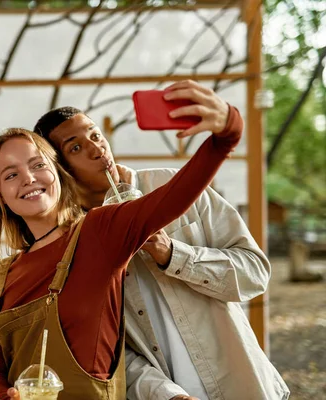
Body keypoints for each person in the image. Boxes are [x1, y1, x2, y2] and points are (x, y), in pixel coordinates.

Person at [0, 91, 244, 400]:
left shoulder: (99, 230)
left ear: (57, 172)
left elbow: (177, 194)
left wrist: (227, 134)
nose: (27, 178)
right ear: (0, 195)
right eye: (11, 174)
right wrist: (0, 396)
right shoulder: (3, 274)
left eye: (37, 165)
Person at [32, 80, 289, 399]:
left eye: (96, 135)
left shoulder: (177, 187)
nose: (98, 150)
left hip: (245, 386)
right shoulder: (74, 242)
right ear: (61, 169)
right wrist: (167, 395)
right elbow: (108, 350)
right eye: (76, 147)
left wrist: (174, 255)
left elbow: (255, 274)